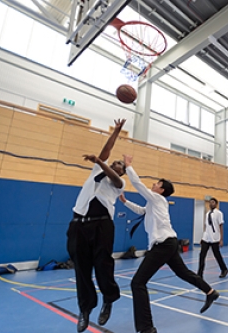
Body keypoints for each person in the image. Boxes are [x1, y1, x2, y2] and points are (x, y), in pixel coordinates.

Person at [120, 155, 219, 333]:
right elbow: (142, 210)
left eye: (157, 184)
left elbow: (138, 185)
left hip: (163, 245)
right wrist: (125, 202)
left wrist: (128, 166)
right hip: (169, 243)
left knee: (138, 283)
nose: (153, 185)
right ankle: (211, 292)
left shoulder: (158, 199)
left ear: (161, 190)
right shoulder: (154, 203)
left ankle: (146, 328)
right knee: (183, 273)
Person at [67, 119, 126, 332]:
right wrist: (117, 130)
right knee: (81, 270)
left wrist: (102, 163)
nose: (114, 165)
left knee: (103, 265)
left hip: (102, 226)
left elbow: (113, 175)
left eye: (119, 166)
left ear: (121, 172)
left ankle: (108, 299)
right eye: (113, 163)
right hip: (78, 225)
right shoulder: (96, 172)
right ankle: (85, 310)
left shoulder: (119, 183)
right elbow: (107, 150)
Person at [198, 198, 228, 278]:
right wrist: (203, 237)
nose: (211, 204)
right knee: (202, 255)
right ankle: (200, 273)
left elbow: (221, 226)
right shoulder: (207, 213)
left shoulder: (219, 213)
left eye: (213, 202)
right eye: (210, 202)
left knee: (217, 255)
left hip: (215, 237)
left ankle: (224, 269)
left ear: (216, 204)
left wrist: (221, 239)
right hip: (206, 237)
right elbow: (206, 226)